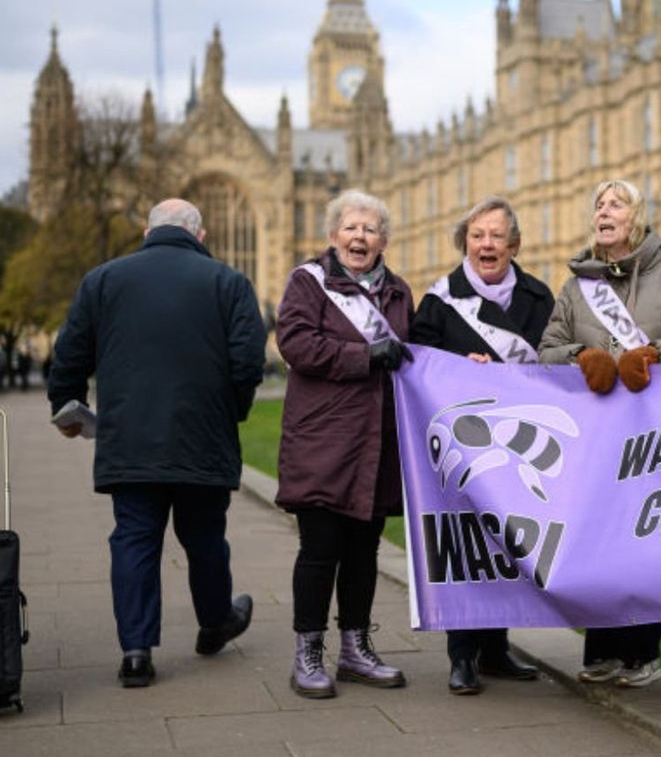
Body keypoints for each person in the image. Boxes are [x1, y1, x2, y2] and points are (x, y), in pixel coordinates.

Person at [47, 198, 265, 688]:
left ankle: (137, 651)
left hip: (129, 438)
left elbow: (70, 353)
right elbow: (249, 362)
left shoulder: (102, 279)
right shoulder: (229, 282)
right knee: (205, 536)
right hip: (202, 437)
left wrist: (67, 406)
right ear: (200, 236)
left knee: (134, 538)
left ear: (147, 233)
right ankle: (214, 623)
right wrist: (230, 410)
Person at [539, 178, 661, 689]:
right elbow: (548, 348)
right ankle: (603, 648)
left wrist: (652, 353)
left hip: (656, 436)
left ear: (638, 218)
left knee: (647, 539)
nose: (604, 212)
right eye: (599, 205)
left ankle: (642, 653)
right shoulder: (574, 287)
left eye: (616, 204)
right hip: (595, 438)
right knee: (599, 540)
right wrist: (581, 358)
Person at [410, 195, 553, 695]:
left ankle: (496, 648)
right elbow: (417, 364)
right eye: (477, 236)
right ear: (465, 243)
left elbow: (554, 365)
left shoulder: (538, 297)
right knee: (465, 544)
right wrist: (456, 367)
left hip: (519, 442)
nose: (486, 244)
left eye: (495, 236)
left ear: (513, 244)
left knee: (508, 545)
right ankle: (462, 654)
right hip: (462, 444)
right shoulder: (438, 300)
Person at [274, 190, 413, 699]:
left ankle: (355, 647)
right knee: (319, 550)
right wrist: (365, 355)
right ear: (333, 235)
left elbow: (409, 354)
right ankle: (308, 651)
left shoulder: (398, 292)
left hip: (377, 443)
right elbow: (295, 343)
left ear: (384, 240)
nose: (360, 237)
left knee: (363, 551)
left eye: (370, 229)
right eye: (351, 228)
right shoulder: (308, 283)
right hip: (323, 440)